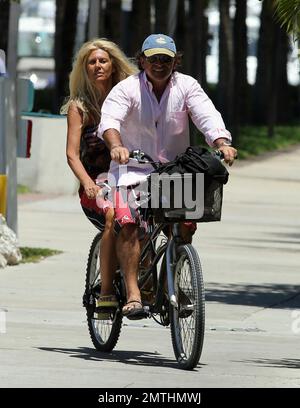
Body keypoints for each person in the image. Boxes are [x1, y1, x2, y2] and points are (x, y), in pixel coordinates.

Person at [98, 33, 237, 319]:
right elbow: (110, 120)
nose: (159, 64)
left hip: (176, 170)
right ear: (142, 61)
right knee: (129, 225)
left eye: (165, 59)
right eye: (153, 59)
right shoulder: (127, 89)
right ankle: (134, 294)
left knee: (184, 226)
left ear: (175, 62)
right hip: (131, 170)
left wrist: (221, 142)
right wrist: (116, 146)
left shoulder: (187, 86)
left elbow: (206, 116)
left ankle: (169, 285)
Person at [61, 38, 138, 311]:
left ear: (113, 64)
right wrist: (87, 184)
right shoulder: (79, 108)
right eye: (91, 62)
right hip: (96, 184)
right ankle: (106, 292)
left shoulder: (129, 98)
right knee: (111, 214)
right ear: (84, 68)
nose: (97, 66)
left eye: (102, 60)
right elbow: (72, 154)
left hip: (129, 180)